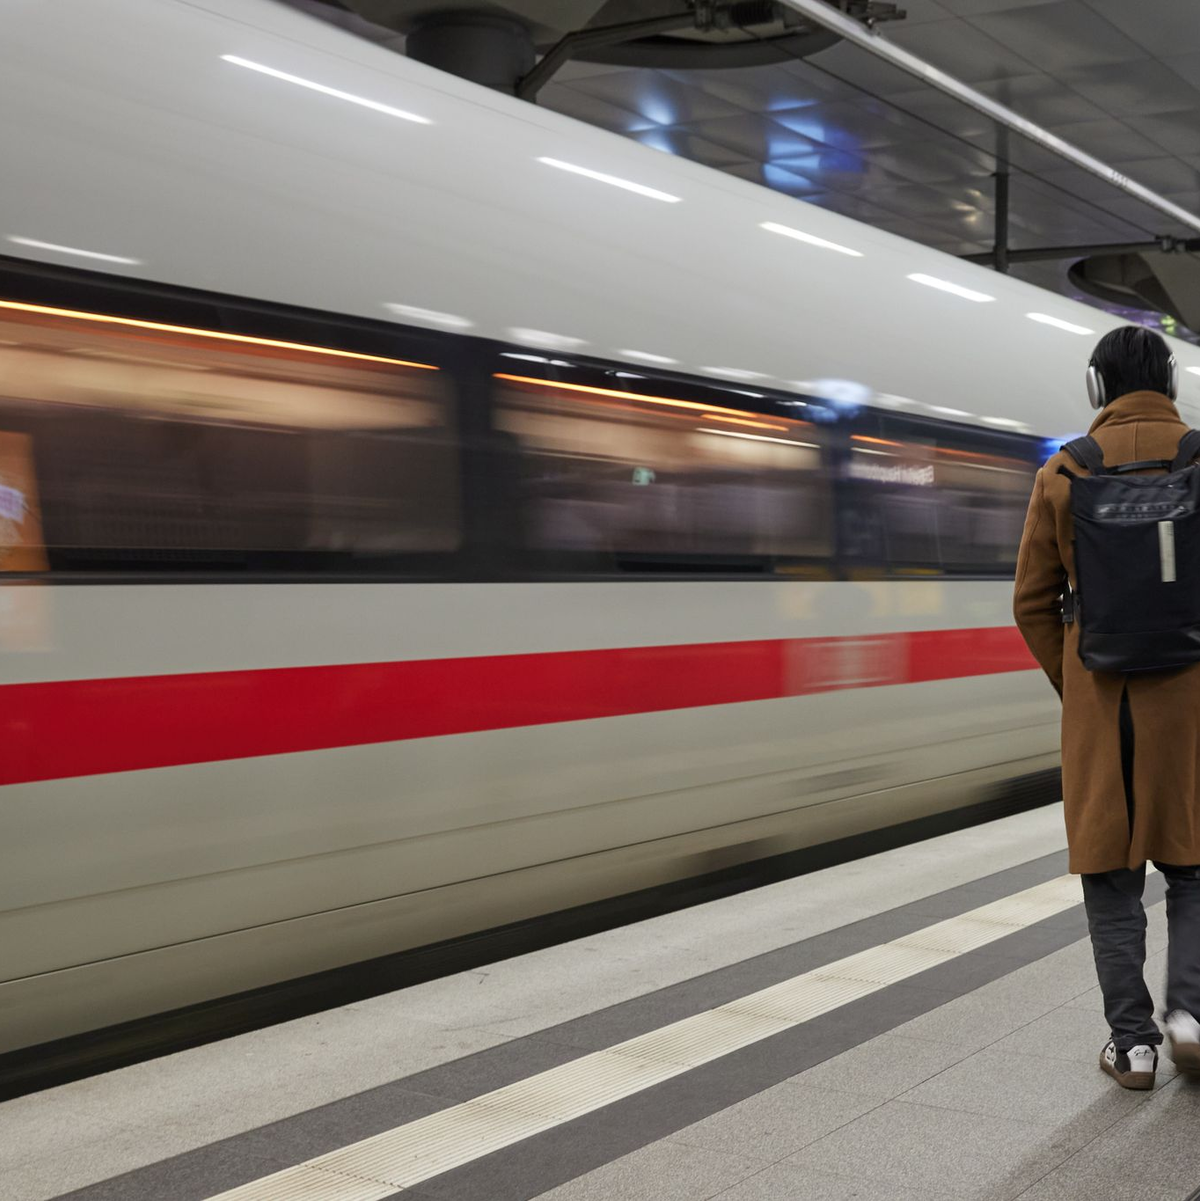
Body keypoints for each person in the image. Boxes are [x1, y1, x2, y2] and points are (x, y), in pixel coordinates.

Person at [1013, 325, 1200, 1091]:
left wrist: (1081, 686)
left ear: (1097, 388)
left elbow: (1030, 602)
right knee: (1193, 869)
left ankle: (1133, 1046)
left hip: (1102, 700)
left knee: (1112, 876)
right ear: (1172, 384)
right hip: (1192, 702)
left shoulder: (1064, 471)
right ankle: (1190, 1014)